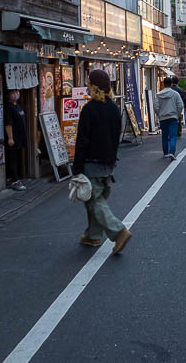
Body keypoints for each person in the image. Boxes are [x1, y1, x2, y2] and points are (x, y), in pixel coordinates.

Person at [72, 69, 131, 253]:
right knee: (96, 199)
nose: (87, 86)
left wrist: (77, 167)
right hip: (108, 161)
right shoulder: (114, 108)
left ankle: (118, 231)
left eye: (89, 83)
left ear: (94, 86)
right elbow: (116, 136)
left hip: (91, 161)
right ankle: (93, 236)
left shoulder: (89, 110)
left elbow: (83, 140)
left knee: (94, 201)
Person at [4, 89, 27, 191]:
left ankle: (14, 178)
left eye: (17, 92)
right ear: (8, 95)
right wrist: (10, 138)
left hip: (20, 137)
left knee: (17, 158)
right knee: (12, 158)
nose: (16, 94)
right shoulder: (9, 107)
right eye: (13, 92)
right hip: (14, 138)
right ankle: (14, 180)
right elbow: (8, 124)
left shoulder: (17, 105)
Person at [156, 76, 184, 160]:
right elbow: (180, 105)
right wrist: (177, 114)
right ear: (171, 84)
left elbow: (155, 106)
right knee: (173, 135)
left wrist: (159, 114)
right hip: (173, 117)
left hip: (163, 117)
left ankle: (165, 153)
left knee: (164, 135)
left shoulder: (159, 94)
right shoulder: (175, 94)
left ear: (163, 84)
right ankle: (172, 152)